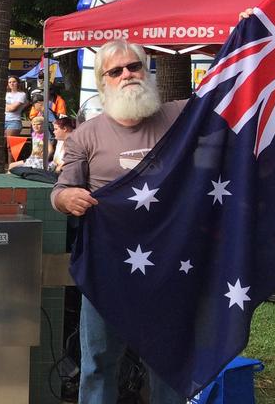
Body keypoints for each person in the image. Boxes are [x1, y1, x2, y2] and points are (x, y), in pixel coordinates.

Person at [52, 39, 185, 404]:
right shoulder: (86, 135)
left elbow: (232, 94)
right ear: (103, 81)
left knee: (168, 364)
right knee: (97, 362)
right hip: (107, 268)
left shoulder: (179, 118)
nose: (127, 75)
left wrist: (253, 30)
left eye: (134, 66)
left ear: (147, 70)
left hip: (169, 267)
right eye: (116, 71)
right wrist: (66, 199)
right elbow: (62, 189)